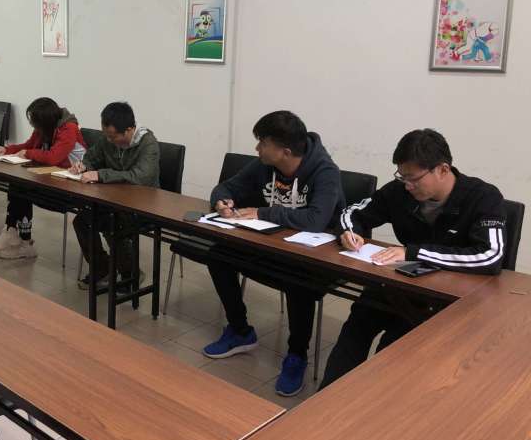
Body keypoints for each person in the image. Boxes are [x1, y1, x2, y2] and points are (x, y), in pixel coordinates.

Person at [319, 128, 506, 389]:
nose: (407, 185)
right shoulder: (399, 192)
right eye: (402, 176)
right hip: (397, 283)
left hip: (444, 300)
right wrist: (350, 233)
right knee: (356, 327)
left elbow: (489, 256)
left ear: (442, 169)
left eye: (413, 178)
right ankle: (328, 397)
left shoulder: (483, 197)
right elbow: (352, 213)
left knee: (391, 351)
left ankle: (370, 403)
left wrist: (412, 252)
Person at [202, 111, 344, 397]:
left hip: (315, 255)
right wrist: (221, 202)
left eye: (263, 143)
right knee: (218, 256)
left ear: (285, 151)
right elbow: (227, 186)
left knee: (298, 281)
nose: (257, 149)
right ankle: (240, 331)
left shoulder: (325, 172)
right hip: (273, 244)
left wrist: (262, 212)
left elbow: (316, 219)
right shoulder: (264, 164)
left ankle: (297, 355)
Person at [70, 102, 160, 292]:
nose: (109, 140)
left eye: (113, 136)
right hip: (114, 199)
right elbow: (92, 157)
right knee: (82, 221)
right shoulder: (108, 139)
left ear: (129, 130)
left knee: (113, 222)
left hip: (142, 204)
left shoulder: (148, 143)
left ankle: (130, 273)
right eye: (107, 135)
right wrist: (84, 166)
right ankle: (102, 269)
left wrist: (101, 174)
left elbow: (141, 177)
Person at [0, 97, 87, 259]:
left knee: (22, 188)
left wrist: (28, 153)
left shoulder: (69, 128)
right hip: (52, 177)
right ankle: (14, 232)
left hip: (72, 186)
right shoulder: (45, 126)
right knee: (19, 184)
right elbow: (29, 145)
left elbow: (54, 157)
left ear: (45, 120)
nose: (33, 126)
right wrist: (7, 150)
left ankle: (17, 236)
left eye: (35, 123)